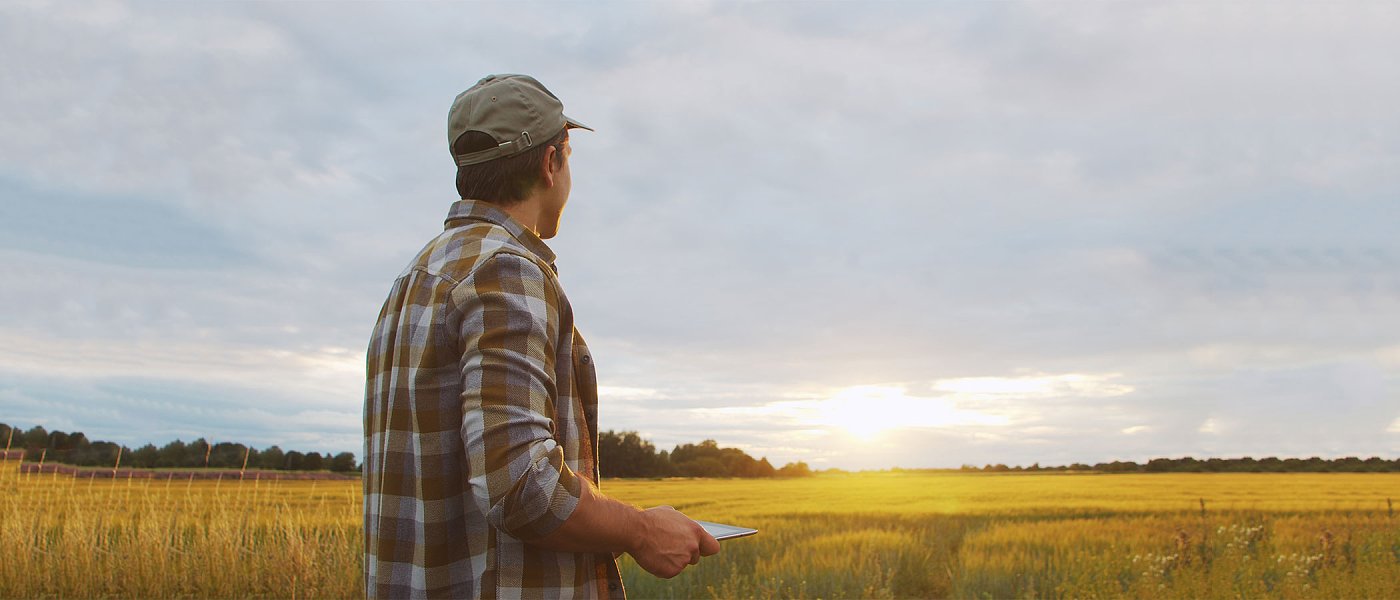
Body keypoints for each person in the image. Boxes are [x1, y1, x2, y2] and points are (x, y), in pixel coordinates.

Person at [363, 74, 719, 599]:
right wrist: (641, 530)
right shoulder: (506, 271)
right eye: (569, 156)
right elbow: (522, 484)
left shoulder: (414, 279)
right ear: (551, 162)